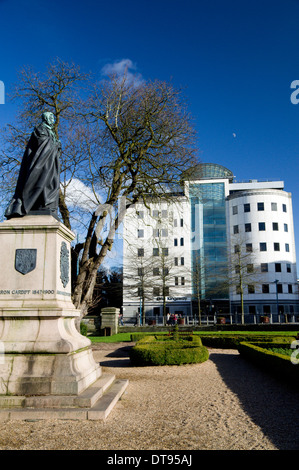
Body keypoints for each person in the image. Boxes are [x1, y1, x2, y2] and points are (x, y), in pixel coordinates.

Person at [5, 112, 61, 220]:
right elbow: (42, 142)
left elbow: (51, 144)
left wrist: (57, 145)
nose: (53, 120)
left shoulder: (50, 131)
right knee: (40, 183)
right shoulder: (40, 129)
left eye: (53, 118)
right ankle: (32, 204)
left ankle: (43, 204)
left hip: (50, 163)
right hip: (41, 164)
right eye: (51, 117)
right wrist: (54, 143)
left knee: (50, 184)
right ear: (45, 119)